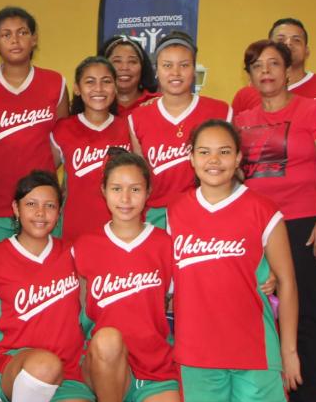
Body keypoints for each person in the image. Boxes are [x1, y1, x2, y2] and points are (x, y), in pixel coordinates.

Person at [232, 20, 316, 402]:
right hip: (257, 228)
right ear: (249, 76)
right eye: (257, 66)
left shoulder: (311, 110)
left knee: (303, 313)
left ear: (288, 70)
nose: (266, 72)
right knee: (259, 314)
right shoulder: (242, 119)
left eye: (274, 64)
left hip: (305, 221)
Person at [168, 119, 300, 402]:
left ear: (239, 157)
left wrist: (288, 351)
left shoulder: (263, 210)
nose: (214, 160)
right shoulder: (173, 213)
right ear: (191, 159)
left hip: (254, 347)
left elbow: (286, 282)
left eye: (224, 152)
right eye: (205, 152)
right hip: (198, 351)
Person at [0, 171, 99, 402]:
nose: (41, 213)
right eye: (31, 204)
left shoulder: (74, 253)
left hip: (67, 370)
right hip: (12, 365)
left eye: (50, 205)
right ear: (16, 209)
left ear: (59, 211)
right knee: (44, 364)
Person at [74, 150, 186, 402]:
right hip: (106, 364)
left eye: (135, 189)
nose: (125, 198)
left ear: (148, 193)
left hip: (154, 365)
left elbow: (185, 303)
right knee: (107, 338)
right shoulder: (84, 245)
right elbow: (77, 314)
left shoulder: (166, 244)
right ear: (103, 191)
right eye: (116, 188)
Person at [0, 7, 67, 241]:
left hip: (43, 205)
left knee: (45, 273)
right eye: (6, 35)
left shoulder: (55, 82)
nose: (15, 40)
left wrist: (36, 165)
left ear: (34, 38)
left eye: (22, 33)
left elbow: (63, 141)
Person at [128, 31, 232, 229]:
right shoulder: (138, 118)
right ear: (156, 70)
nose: (175, 73)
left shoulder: (220, 111)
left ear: (194, 69)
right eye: (167, 65)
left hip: (209, 209)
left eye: (184, 65)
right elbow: (140, 177)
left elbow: (234, 168)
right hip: (157, 215)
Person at [50, 57, 132, 244]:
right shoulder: (63, 129)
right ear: (77, 88)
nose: (99, 89)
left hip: (120, 230)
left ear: (116, 86)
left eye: (106, 81)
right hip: (75, 230)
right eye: (90, 82)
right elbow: (46, 174)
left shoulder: (129, 128)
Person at [231, 18, 316, 114]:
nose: (288, 43)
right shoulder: (245, 95)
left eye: (296, 40)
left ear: (307, 51)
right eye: (280, 40)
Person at [100, 35, 159, 120]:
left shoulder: (158, 102)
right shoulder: (94, 105)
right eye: (117, 61)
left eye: (132, 61)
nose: (124, 67)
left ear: (142, 67)